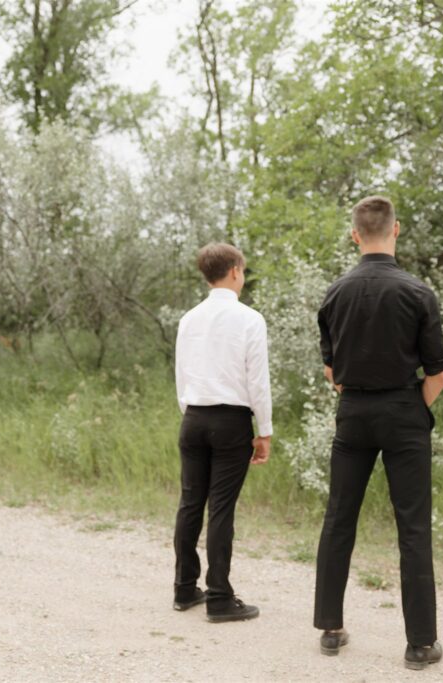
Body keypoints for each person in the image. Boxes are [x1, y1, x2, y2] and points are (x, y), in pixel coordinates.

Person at [313, 196, 443, 670]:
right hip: (404, 410)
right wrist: (412, 407)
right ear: (396, 230)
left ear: (355, 235)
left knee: (338, 517)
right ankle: (419, 644)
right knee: (413, 527)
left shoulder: (334, 293)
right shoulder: (418, 293)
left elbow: (332, 371)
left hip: (352, 411)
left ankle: (330, 628)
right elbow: (438, 373)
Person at [172, 242, 272, 623]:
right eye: (243, 272)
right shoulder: (250, 319)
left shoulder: (189, 319)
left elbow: (181, 373)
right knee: (221, 509)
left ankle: (184, 589)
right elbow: (257, 381)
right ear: (234, 271)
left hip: (193, 417)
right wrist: (263, 430)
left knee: (190, 504)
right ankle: (219, 597)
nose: (242, 278)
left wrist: (191, 411)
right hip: (231, 421)